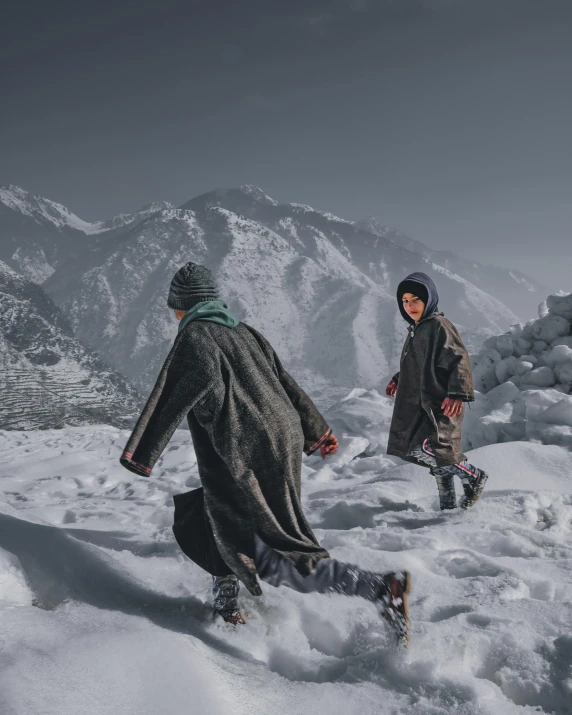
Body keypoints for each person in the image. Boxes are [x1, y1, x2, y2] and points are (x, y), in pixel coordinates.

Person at [120, 262, 410, 644]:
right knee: (208, 515)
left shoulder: (195, 337)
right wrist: (317, 430)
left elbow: (170, 394)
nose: (174, 314)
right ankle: (227, 605)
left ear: (182, 305)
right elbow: (284, 381)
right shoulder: (244, 331)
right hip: (278, 439)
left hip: (246, 447)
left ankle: (378, 587)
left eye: (175, 306)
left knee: (273, 548)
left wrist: (141, 453)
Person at [386, 272, 488, 511]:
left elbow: (458, 359)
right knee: (437, 458)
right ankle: (448, 509)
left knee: (425, 449)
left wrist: (457, 394)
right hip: (420, 403)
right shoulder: (418, 329)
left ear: (428, 299)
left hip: (439, 403)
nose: (409, 306)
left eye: (415, 300)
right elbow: (418, 365)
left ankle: (473, 476)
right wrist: (398, 379)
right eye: (405, 301)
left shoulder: (439, 325)